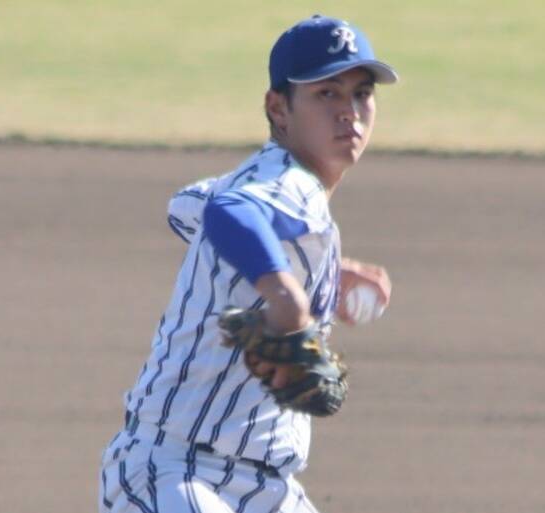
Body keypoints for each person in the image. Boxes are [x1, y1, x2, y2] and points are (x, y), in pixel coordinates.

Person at [99, 14, 397, 513]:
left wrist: (319, 267)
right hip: (176, 472)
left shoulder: (277, 187)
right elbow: (228, 209)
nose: (349, 112)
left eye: (361, 94)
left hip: (266, 490)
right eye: (327, 94)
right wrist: (287, 297)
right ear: (278, 108)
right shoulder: (289, 182)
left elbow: (187, 205)